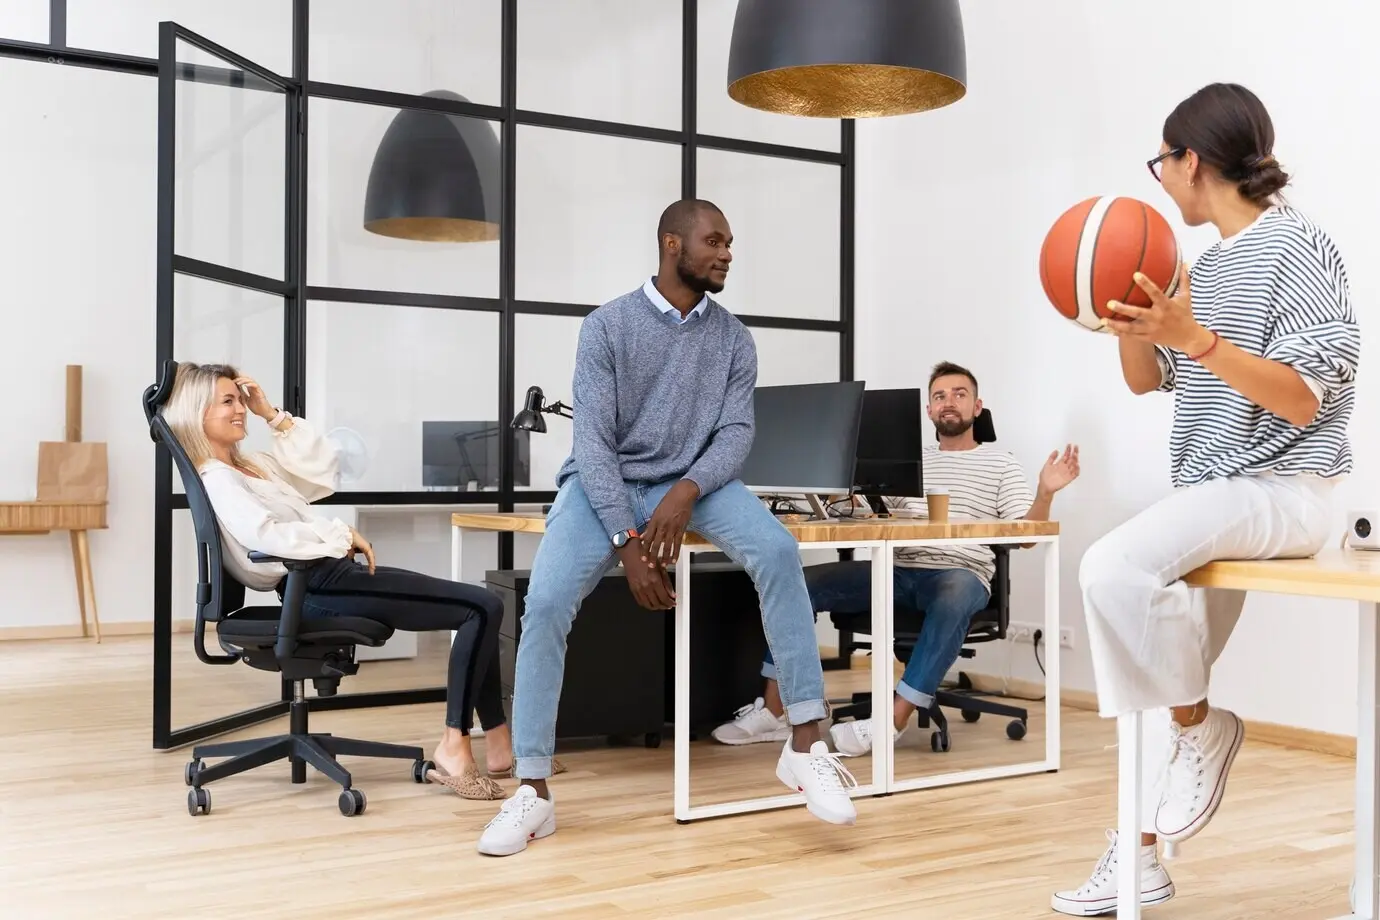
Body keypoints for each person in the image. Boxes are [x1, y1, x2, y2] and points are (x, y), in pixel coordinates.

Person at [1051, 82, 1359, 916]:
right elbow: (1155, 381)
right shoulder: (1199, 267)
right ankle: (1139, 853)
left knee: (1111, 568)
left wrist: (1196, 336)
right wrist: (1132, 331)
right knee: (1152, 647)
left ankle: (1203, 727)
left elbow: (1303, 400)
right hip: (1215, 493)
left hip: (1289, 489)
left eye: (1162, 162)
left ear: (1191, 162)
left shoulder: (1299, 248)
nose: (1158, 180)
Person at [476, 198, 858, 856]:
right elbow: (593, 445)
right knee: (546, 603)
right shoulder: (607, 328)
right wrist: (630, 541)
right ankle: (532, 791)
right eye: (715, 241)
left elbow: (736, 433)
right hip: (605, 484)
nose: (727, 254)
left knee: (776, 550)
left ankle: (804, 739)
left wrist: (684, 492)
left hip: (699, 484)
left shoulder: (735, 339)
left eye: (731, 243)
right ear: (672, 245)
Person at [161, 361, 513, 801]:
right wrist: (338, 534)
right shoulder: (217, 478)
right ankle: (455, 745)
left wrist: (272, 414)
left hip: (331, 576)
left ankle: (496, 743)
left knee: (480, 606)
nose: (240, 410)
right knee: (481, 606)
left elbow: (322, 473)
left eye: (240, 399)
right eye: (227, 402)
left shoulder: (253, 466)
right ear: (197, 414)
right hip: (319, 585)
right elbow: (266, 537)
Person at [711, 361, 1080, 754]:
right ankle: (776, 710)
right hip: (896, 567)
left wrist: (1045, 493)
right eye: (939, 396)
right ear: (929, 411)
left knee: (954, 593)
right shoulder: (911, 460)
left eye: (959, 394)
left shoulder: (1001, 463)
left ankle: (892, 720)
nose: (948, 402)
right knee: (798, 582)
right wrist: (842, 489)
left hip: (959, 572)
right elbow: (872, 512)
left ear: (977, 407)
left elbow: (1026, 538)